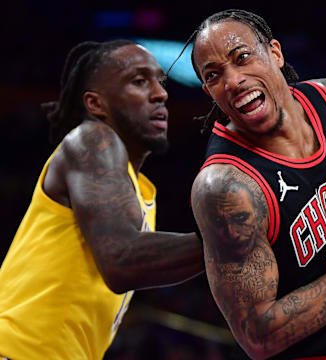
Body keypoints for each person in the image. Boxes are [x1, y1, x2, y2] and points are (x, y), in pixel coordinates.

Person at [0, 39, 204, 360]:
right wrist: (233, 240)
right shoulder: (92, 139)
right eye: (139, 81)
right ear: (97, 105)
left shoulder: (140, 190)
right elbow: (122, 260)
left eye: (160, 82)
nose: (161, 93)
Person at [188, 9, 326, 360]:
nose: (233, 80)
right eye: (215, 75)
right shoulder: (225, 187)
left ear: (276, 54)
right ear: (209, 91)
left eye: (242, 58)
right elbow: (258, 336)